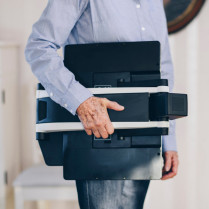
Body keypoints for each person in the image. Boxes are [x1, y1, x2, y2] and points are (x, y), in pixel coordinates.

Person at [25, 0, 179, 208]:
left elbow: (163, 68)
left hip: (146, 137)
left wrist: (169, 139)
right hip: (98, 135)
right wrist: (81, 101)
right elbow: (39, 46)